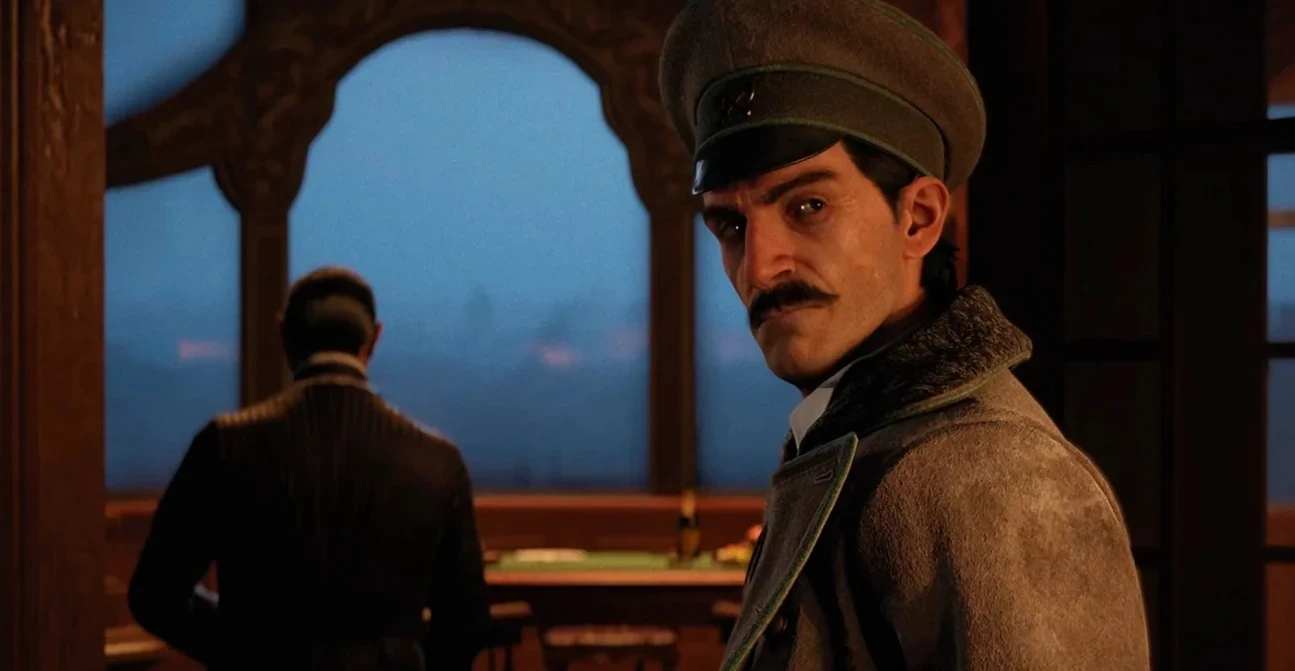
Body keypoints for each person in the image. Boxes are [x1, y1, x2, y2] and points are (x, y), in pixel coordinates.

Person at [659, 1, 1150, 669]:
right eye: (732, 226)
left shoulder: (994, 479)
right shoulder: (861, 442)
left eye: (808, 206)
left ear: (918, 219)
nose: (758, 267)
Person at [129, 266, 491, 670]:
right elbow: (467, 621)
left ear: (283, 336)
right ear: (374, 339)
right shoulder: (437, 460)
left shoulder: (225, 444)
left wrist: (243, 647)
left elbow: (154, 595)